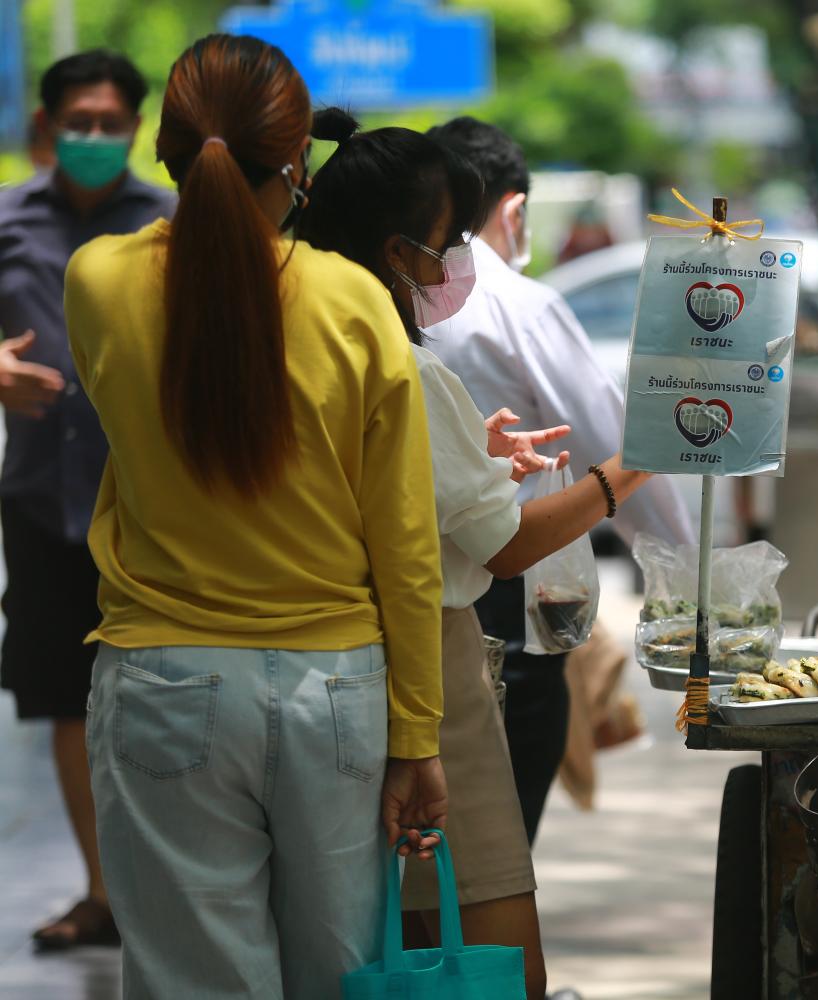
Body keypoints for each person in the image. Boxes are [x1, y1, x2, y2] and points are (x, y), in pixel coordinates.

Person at [63, 35, 448, 997]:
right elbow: (405, 546)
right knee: (339, 979)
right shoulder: (356, 301)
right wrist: (419, 735)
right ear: (300, 162)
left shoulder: (97, 282)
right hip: (337, 694)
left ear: (166, 149)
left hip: (163, 682)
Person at [299, 109, 658, 999]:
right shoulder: (403, 366)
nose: (460, 259)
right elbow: (508, 547)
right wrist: (628, 471)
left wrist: (474, 452)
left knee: (406, 925)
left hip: (333, 665)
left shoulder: (309, 345)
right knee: (492, 931)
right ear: (395, 250)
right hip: (429, 670)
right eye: (447, 239)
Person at [424, 116, 694, 843]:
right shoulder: (514, 302)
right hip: (502, 596)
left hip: (407, 598)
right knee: (496, 838)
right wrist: (687, 582)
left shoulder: (375, 302)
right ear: (513, 210)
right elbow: (614, 442)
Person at [0, 48, 175, 951]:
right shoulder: (8, 222)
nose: (97, 138)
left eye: (113, 123)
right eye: (80, 123)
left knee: (163, 695)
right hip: (40, 502)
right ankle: (104, 894)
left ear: (138, 129)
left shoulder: (174, 226)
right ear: (45, 128)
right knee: (64, 700)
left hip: (155, 508)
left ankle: (167, 894)